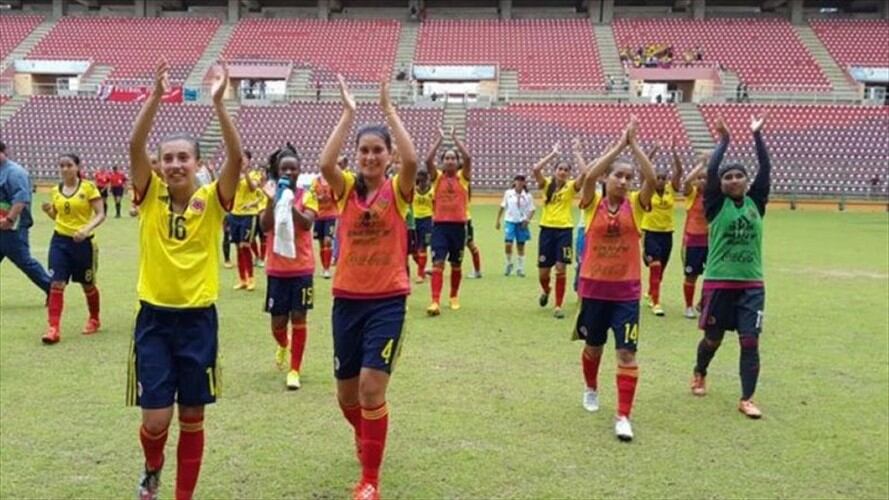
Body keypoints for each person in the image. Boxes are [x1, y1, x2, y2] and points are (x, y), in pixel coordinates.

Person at [126, 60, 242, 500]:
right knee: (156, 420)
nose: (175, 165)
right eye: (168, 158)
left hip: (198, 322)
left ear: (197, 163)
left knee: (192, 416)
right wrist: (156, 96)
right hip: (154, 321)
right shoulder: (149, 195)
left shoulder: (211, 200)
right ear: (158, 165)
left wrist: (219, 104)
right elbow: (134, 144)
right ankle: (152, 467)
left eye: (183, 158)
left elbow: (236, 159)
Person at [318, 75, 417, 500]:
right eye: (365, 150)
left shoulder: (397, 189)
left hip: (387, 302)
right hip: (347, 302)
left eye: (378, 150)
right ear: (356, 156)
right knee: (347, 396)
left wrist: (389, 110)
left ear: (388, 156)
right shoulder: (344, 190)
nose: (371, 156)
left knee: (371, 389)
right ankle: (366, 436)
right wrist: (349, 112)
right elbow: (325, 164)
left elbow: (413, 160)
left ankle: (370, 480)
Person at [574, 116, 656, 442]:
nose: (623, 181)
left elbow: (652, 179)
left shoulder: (636, 205)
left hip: (626, 292)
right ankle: (591, 387)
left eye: (628, 177)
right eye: (618, 176)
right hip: (594, 289)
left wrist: (633, 146)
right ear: (607, 178)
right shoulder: (591, 202)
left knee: (626, 353)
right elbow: (589, 176)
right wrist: (619, 145)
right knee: (593, 347)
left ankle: (623, 416)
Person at [691, 114, 771, 420]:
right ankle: (700, 371)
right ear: (721, 184)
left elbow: (766, 168)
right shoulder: (715, 204)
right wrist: (724, 140)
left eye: (739, 176)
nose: (734, 180)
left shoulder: (756, 203)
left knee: (750, 341)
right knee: (713, 339)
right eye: (728, 177)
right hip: (719, 283)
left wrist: (757, 135)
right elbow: (711, 171)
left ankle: (747, 398)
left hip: (752, 284)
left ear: (746, 181)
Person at [260, 143, 318, 390]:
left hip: (302, 268)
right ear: (278, 171)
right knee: (278, 324)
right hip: (277, 269)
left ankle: (295, 370)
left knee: (299, 317)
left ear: (299, 170)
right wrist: (273, 201)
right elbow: (264, 226)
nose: (289, 173)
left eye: (293, 169)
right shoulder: (270, 194)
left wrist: (289, 203)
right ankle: (284, 344)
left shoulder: (308, 195)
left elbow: (307, 224)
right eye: (284, 169)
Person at [38, 153, 106, 344]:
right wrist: (49, 211)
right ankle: (53, 328)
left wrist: (86, 230)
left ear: (77, 167)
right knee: (57, 283)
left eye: (69, 165)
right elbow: (58, 216)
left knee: (87, 284)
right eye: (62, 165)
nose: (65, 169)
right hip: (59, 242)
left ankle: (94, 318)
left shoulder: (88, 188)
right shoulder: (55, 191)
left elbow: (100, 214)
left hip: (83, 244)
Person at [530, 140, 586, 319]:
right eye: (560, 169)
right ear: (555, 171)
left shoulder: (571, 187)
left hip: (564, 231)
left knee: (561, 268)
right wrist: (553, 154)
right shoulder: (546, 184)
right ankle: (546, 290)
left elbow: (585, 174)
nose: (562, 172)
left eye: (566, 170)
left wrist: (577, 152)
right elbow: (536, 169)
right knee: (543, 273)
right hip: (546, 231)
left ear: (569, 173)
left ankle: (558, 305)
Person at [425, 126, 472, 316]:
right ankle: (435, 301)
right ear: (442, 162)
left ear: (457, 162)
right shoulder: (437, 178)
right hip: (440, 227)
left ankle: (453, 296)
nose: (450, 161)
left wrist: (455, 138)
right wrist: (440, 139)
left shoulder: (463, 178)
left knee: (456, 264)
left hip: (458, 227)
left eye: (453, 158)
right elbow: (427, 160)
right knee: (438, 262)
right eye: (447, 158)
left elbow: (468, 158)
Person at [0, 141, 52, 296]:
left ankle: (52, 289)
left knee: (24, 261)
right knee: (24, 261)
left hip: (12, 227)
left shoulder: (15, 172)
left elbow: (21, 198)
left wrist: (9, 220)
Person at [640, 139, 682, 316]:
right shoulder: (647, 189)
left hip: (667, 233)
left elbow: (679, 172)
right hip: (650, 232)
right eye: (658, 177)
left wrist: (674, 152)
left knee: (661, 269)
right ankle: (656, 302)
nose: (660, 180)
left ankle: (651, 291)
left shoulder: (671, 190)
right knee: (655, 266)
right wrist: (653, 151)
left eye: (663, 178)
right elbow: (643, 171)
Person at [680, 151, 710, 319]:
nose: (702, 181)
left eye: (705, 178)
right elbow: (686, 181)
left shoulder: (713, 196)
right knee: (691, 275)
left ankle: (703, 303)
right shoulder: (691, 195)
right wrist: (701, 165)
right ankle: (688, 306)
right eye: (699, 178)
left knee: (713, 275)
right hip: (693, 241)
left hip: (711, 241)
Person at [229, 150, 259, 290]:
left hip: (248, 214)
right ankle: (242, 279)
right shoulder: (234, 175)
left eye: (244, 158)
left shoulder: (254, 174)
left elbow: (252, 188)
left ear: (249, 160)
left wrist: (245, 172)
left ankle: (251, 278)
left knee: (245, 245)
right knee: (238, 247)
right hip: (234, 214)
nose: (242, 161)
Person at [495, 174, 534, 277]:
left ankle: (520, 268)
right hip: (510, 221)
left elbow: (532, 210)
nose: (519, 182)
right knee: (508, 243)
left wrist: (527, 220)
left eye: (522, 180)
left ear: (524, 183)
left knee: (520, 246)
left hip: (521, 223)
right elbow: (502, 206)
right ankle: (509, 263)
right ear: (514, 182)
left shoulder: (528, 196)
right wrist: (498, 220)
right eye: (518, 180)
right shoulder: (508, 193)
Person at [311, 173, 338, 279]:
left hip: (330, 215)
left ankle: (327, 269)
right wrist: (318, 197)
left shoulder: (333, 181)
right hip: (318, 216)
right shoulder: (315, 182)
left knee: (328, 241)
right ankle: (324, 267)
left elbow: (338, 196)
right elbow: (311, 196)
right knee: (321, 243)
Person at [410, 169, 433, 283]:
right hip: (415, 221)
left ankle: (421, 275)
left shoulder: (432, 191)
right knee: (414, 251)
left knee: (423, 247)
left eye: (425, 180)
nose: (424, 183)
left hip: (428, 221)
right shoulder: (413, 190)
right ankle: (423, 269)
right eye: (421, 180)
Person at [249, 163, 268, 269]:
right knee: (251, 238)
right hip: (253, 213)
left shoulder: (269, 185)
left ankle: (262, 258)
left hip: (264, 213)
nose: (261, 173)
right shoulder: (253, 186)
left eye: (263, 171)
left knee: (263, 237)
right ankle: (256, 256)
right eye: (259, 171)